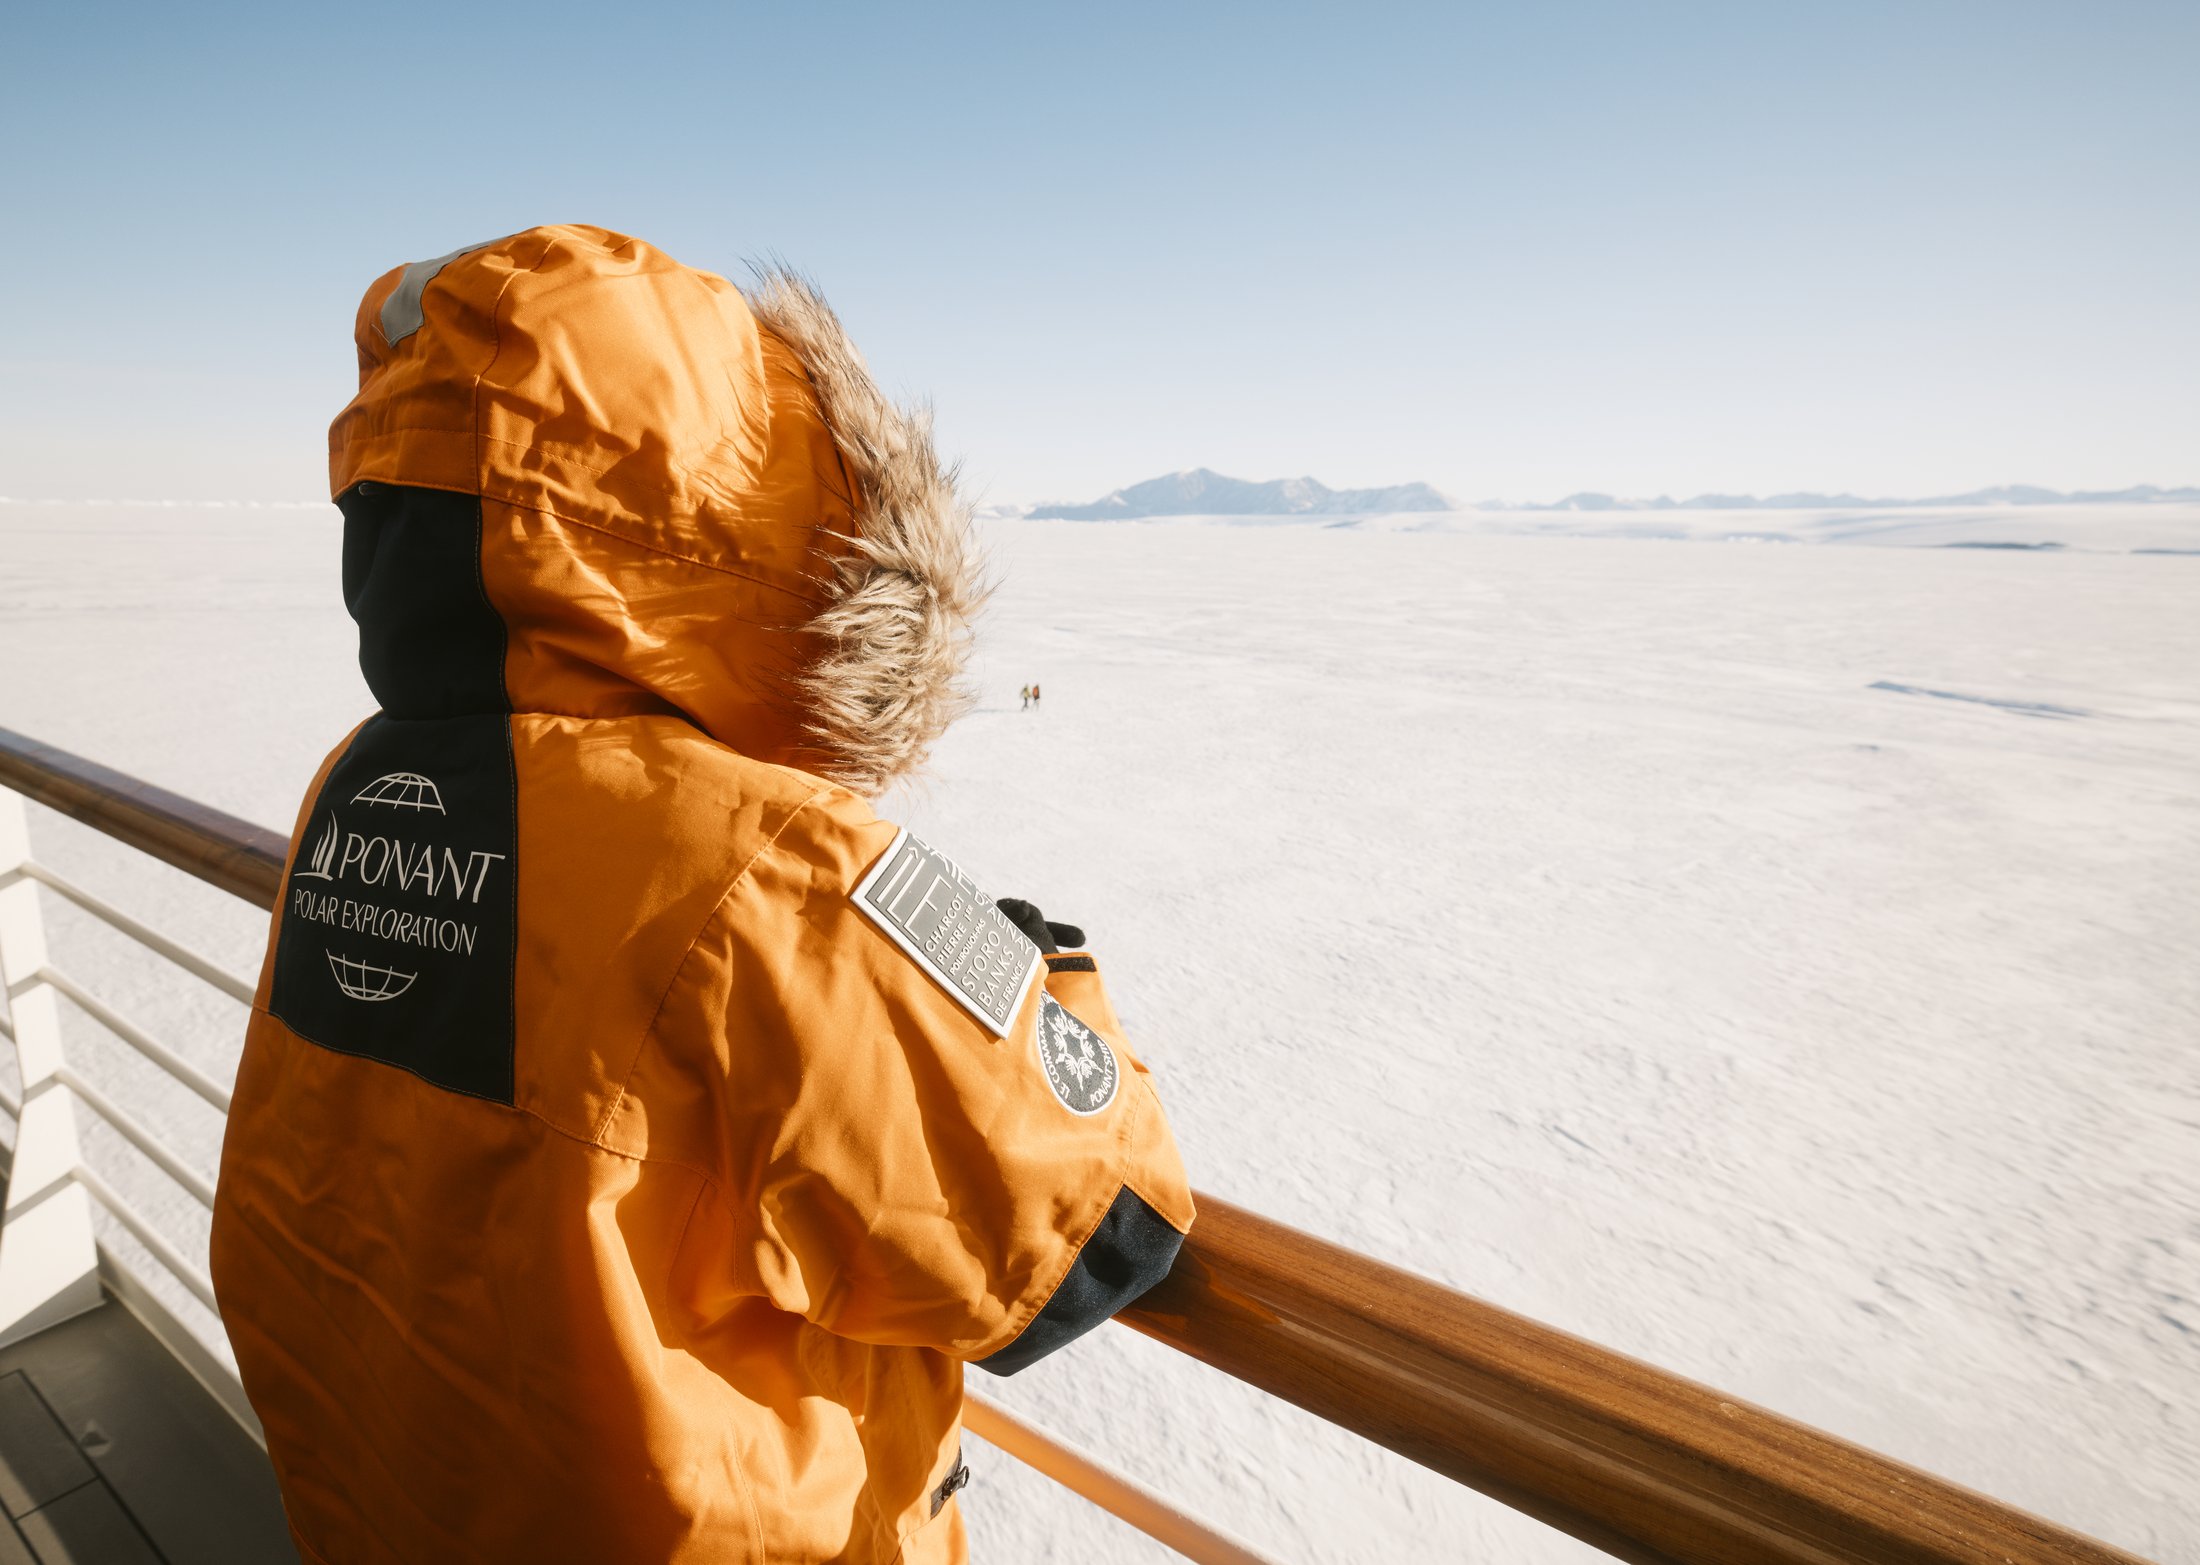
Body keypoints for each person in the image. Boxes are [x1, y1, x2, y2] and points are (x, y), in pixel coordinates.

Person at [209, 225, 1193, 1565]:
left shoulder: (361, 784)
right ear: (739, 517)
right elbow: (1083, 1229)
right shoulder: (770, 865)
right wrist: (1037, 968)